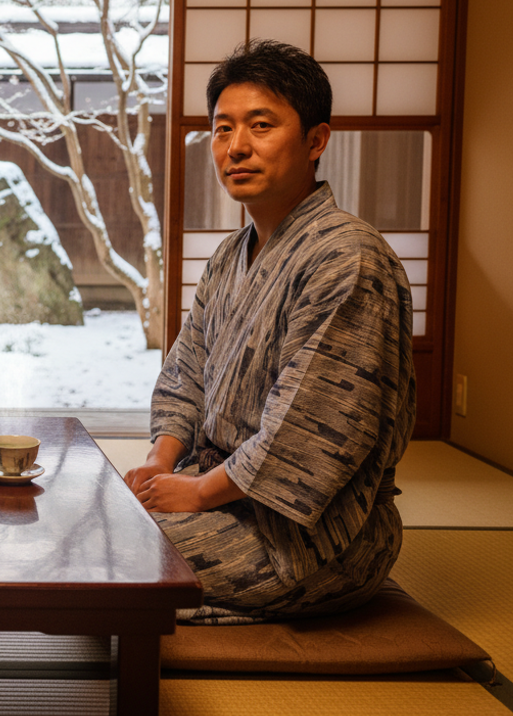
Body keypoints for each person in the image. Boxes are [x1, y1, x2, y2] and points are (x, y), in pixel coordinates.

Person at [124, 40, 416, 624]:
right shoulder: (231, 254)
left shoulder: (347, 259)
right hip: (221, 490)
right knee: (100, 519)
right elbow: (187, 372)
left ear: (316, 140)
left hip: (311, 534)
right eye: (222, 128)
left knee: (116, 558)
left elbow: (312, 430)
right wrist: (163, 459)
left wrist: (200, 493)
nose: (237, 147)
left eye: (261, 126)